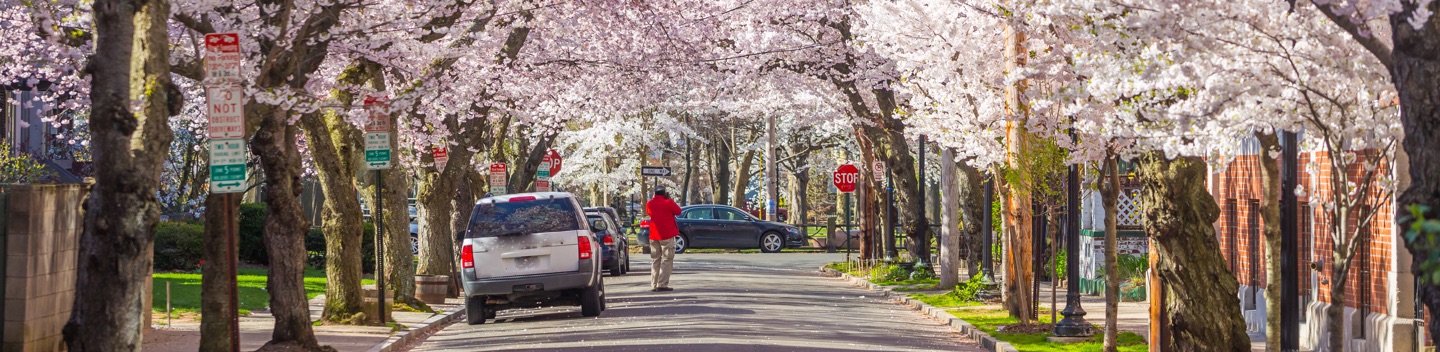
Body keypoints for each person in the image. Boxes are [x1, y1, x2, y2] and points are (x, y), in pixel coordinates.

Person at [645, 185, 681, 292]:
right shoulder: (668, 203)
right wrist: (668, 199)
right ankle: (662, 284)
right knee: (667, 259)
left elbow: (649, 212)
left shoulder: (650, 203)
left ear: (654, 193)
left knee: (655, 260)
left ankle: (653, 284)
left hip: (654, 235)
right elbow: (678, 211)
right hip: (667, 235)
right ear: (665, 193)